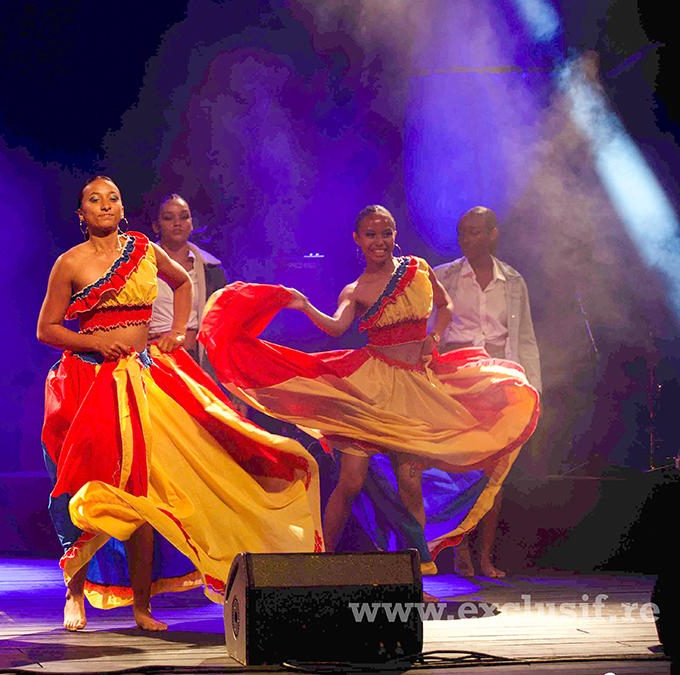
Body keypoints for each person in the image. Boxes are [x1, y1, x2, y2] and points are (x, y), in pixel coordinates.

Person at [37, 176, 322, 632]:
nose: (105, 205)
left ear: (123, 207)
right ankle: (74, 593)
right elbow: (47, 329)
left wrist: (179, 333)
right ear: (81, 213)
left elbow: (184, 280)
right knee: (83, 485)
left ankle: (142, 606)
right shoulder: (70, 263)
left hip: (144, 377)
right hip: (88, 382)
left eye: (113, 197)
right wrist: (94, 339)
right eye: (95, 200)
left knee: (146, 489)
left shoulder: (143, 250)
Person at [200, 205, 539, 579]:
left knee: (411, 483)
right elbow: (335, 327)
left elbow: (445, 306)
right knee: (351, 482)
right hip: (371, 391)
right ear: (358, 241)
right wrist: (304, 305)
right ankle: (321, 565)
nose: (380, 241)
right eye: (371, 235)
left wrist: (434, 338)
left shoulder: (418, 269)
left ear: (395, 234)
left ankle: (417, 573)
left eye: (387, 233)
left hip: (414, 391)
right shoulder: (357, 289)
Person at [435, 206, 542, 578]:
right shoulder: (442, 277)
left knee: (495, 471)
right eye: (463, 233)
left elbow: (524, 338)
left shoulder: (512, 282)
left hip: (499, 383)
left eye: (475, 232)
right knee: (459, 468)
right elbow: (427, 331)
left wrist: (533, 392)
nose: (467, 240)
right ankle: (460, 550)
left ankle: (485, 557)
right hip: (455, 381)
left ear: (493, 234)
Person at [147, 194, 229, 368]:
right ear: (156, 226)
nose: (177, 223)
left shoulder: (212, 268)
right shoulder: (140, 266)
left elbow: (226, 319)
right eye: (169, 218)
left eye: (184, 217)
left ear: (191, 223)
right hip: (155, 361)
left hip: (197, 361)